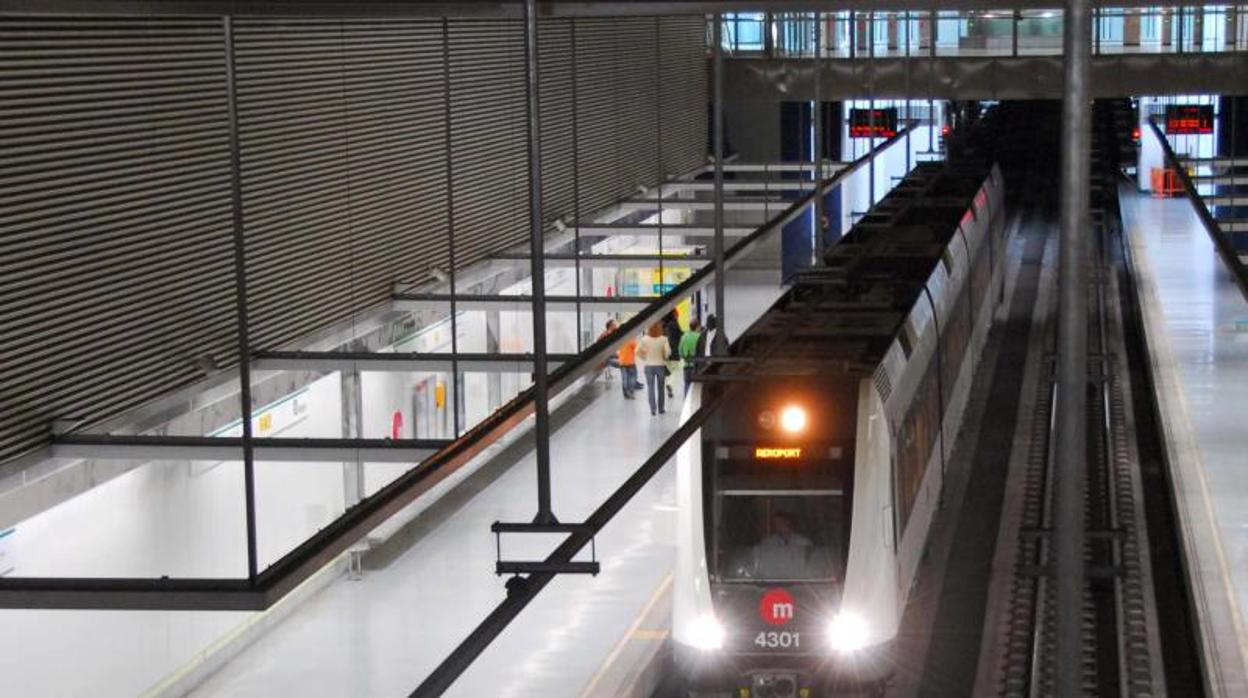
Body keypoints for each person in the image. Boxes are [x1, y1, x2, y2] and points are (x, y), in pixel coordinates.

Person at [752, 511, 813, 580]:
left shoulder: (803, 542)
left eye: (780, 522)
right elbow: (760, 563)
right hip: (774, 580)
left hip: (797, 581)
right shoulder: (767, 543)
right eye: (775, 523)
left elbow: (809, 565)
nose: (777, 525)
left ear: (788, 522)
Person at [637, 322, 671, 415]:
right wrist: (664, 357)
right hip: (660, 366)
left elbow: (637, 351)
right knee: (661, 388)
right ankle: (661, 409)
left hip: (649, 366)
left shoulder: (644, 339)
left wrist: (644, 357)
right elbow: (668, 353)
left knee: (650, 388)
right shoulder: (664, 339)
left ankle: (652, 409)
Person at [662, 309, 683, 399]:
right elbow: (681, 335)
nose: (677, 316)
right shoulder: (674, 324)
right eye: (676, 314)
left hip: (664, 352)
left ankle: (668, 386)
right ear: (674, 315)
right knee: (674, 370)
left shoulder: (663, 325)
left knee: (667, 371)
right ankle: (670, 385)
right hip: (674, 351)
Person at [678, 319, 702, 396]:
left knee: (687, 386)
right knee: (697, 388)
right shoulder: (700, 336)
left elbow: (680, 351)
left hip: (687, 365)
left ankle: (686, 404)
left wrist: (685, 357)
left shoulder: (684, 337)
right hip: (697, 366)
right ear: (697, 327)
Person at [617, 332, 641, 400]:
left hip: (622, 362)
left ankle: (625, 393)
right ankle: (630, 391)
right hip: (630, 363)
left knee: (624, 378)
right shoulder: (631, 340)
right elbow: (637, 349)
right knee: (632, 377)